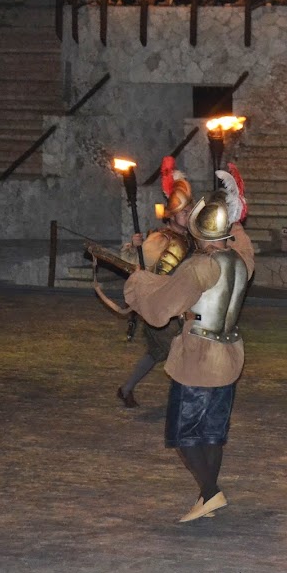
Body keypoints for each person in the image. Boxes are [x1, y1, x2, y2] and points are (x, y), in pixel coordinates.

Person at [123, 170, 255, 523]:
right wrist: (236, 220)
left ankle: (211, 493)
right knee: (212, 433)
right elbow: (243, 243)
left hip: (198, 358)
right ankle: (207, 496)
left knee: (183, 435)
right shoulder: (241, 260)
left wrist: (136, 282)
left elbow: (160, 309)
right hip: (229, 355)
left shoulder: (198, 267)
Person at [118, 157, 195, 408]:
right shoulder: (161, 239)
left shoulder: (192, 238)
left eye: (188, 211)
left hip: (181, 305)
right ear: (172, 215)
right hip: (160, 304)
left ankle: (127, 388)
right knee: (178, 350)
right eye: (183, 212)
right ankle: (183, 398)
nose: (187, 215)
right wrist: (134, 247)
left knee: (158, 353)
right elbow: (131, 261)